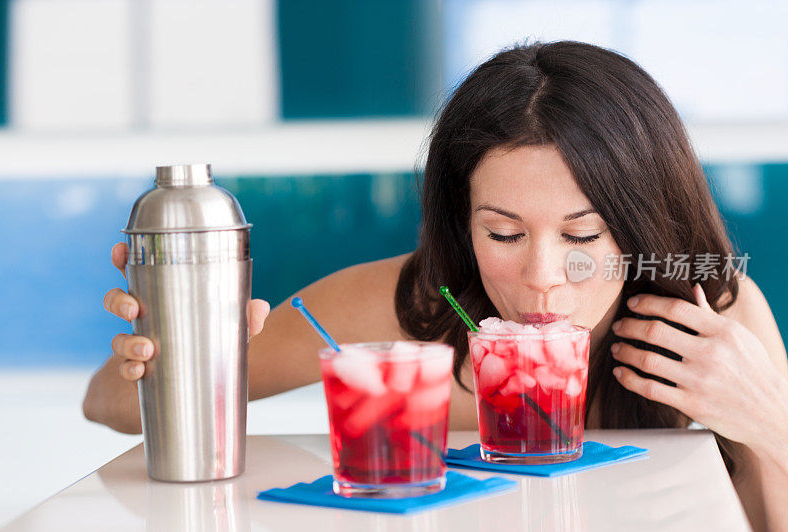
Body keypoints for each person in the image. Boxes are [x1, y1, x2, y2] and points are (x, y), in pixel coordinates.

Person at [84, 41, 788, 530]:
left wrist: (771, 421)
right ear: (461, 223)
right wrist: (178, 352)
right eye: (503, 235)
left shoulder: (711, 321)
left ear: (637, 227)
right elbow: (107, 404)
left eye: (583, 236)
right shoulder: (408, 312)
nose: (543, 279)